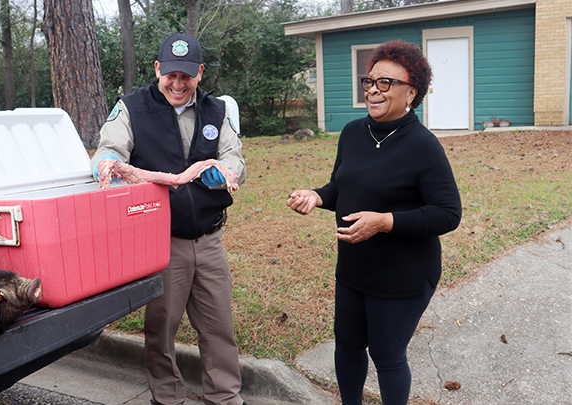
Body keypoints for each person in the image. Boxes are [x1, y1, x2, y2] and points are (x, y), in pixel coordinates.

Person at [286, 40, 462, 405]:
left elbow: (448, 212)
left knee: (386, 355)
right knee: (348, 348)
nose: (373, 90)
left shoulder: (424, 146)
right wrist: (318, 196)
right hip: (353, 270)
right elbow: (342, 186)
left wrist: (385, 222)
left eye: (386, 83)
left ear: (411, 91)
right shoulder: (352, 133)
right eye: (369, 81)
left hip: (403, 276)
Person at [91, 33, 246, 405]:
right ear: (158, 69)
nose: (178, 84)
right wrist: (104, 165)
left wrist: (226, 172)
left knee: (219, 327)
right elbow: (110, 148)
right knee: (161, 328)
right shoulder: (132, 107)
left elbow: (235, 158)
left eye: (187, 76)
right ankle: (167, 397)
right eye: (171, 75)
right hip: (160, 241)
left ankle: (225, 397)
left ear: (200, 74)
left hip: (209, 240)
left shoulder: (217, 111)